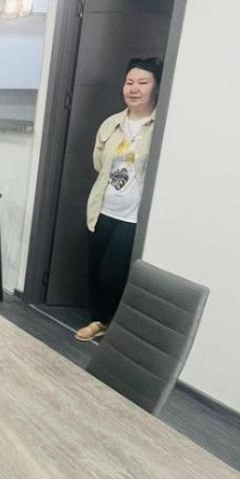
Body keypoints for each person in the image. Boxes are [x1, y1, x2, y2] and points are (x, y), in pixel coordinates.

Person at [75, 56, 163, 343]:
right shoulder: (112, 124)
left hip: (134, 215)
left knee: (113, 273)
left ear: (156, 87)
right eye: (129, 82)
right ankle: (99, 320)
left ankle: (112, 324)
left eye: (143, 82)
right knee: (96, 268)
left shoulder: (161, 126)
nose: (134, 88)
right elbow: (99, 162)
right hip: (104, 208)